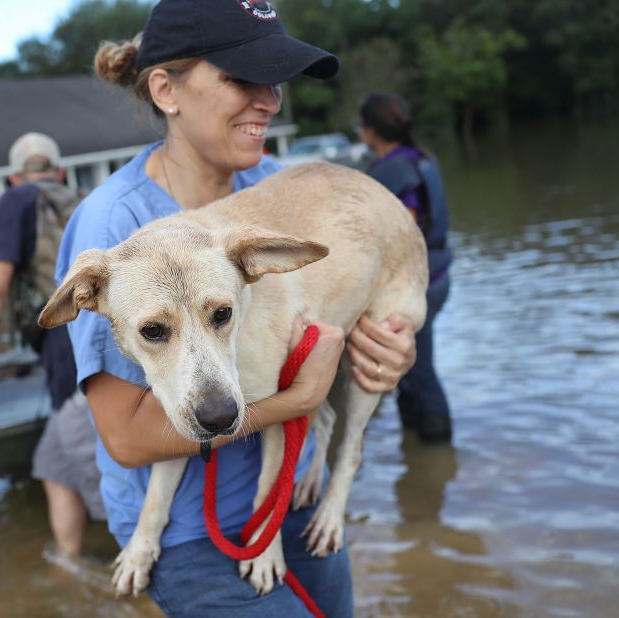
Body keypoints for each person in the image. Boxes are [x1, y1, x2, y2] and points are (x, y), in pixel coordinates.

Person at [54, 2, 419, 615]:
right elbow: (124, 437)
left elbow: (349, 286)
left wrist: (391, 354)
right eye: (240, 80)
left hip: (297, 494)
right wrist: (297, 400)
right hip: (191, 537)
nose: (270, 101)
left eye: (273, 81)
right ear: (166, 89)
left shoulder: (276, 184)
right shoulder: (113, 227)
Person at [0, 132, 105, 560]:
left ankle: (149, 579)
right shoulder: (86, 198)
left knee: (111, 485)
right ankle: (68, 566)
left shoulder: (15, 201)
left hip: (76, 364)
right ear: (58, 171)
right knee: (52, 466)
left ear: (13, 177)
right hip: (102, 348)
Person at [356, 92, 454, 443]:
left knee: (418, 368)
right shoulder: (424, 158)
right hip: (439, 275)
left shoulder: (391, 171)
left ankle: (436, 442)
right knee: (408, 366)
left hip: (418, 285)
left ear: (369, 131)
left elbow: (406, 224)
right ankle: (418, 454)